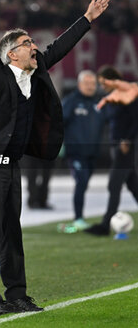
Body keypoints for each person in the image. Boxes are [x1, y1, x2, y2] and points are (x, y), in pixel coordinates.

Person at [0, 0, 110, 315]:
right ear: (11, 53)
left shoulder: (35, 67)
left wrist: (87, 18)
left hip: (10, 164)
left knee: (12, 232)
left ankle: (16, 294)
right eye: (28, 43)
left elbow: (58, 47)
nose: (35, 47)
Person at [86, 66, 138, 236]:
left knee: (113, 184)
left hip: (126, 146)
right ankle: (105, 224)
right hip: (116, 145)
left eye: (103, 83)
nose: (102, 86)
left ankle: (105, 225)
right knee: (132, 184)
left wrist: (127, 139)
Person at [61, 70, 107, 231]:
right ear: (79, 84)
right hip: (76, 152)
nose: (90, 86)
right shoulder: (71, 101)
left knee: (85, 183)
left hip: (93, 152)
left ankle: (80, 217)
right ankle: (78, 218)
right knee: (81, 182)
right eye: (87, 83)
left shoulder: (99, 102)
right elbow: (59, 122)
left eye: (93, 84)